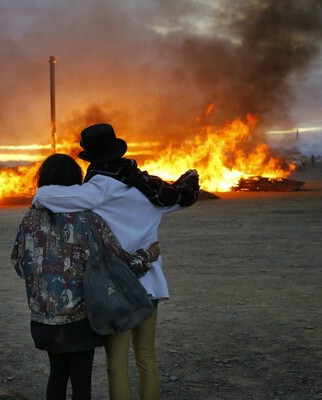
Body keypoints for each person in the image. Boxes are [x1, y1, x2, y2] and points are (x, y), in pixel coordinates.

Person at [32, 123, 200, 400]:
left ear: (92, 158)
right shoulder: (149, 190)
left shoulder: (99, 189)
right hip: (151, 282)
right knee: (147, 357)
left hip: (115, 287)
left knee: (117, 366)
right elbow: (180, 199)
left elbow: (44, 195)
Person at [11, 153, 160, 400]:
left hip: (43, 318)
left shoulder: (28, 220)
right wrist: (148, 255)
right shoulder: (89, 220)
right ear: (76, 181)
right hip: (80, 319)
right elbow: (117, 266)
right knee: (81, 381)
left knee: (56, 375)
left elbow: (18, 263)